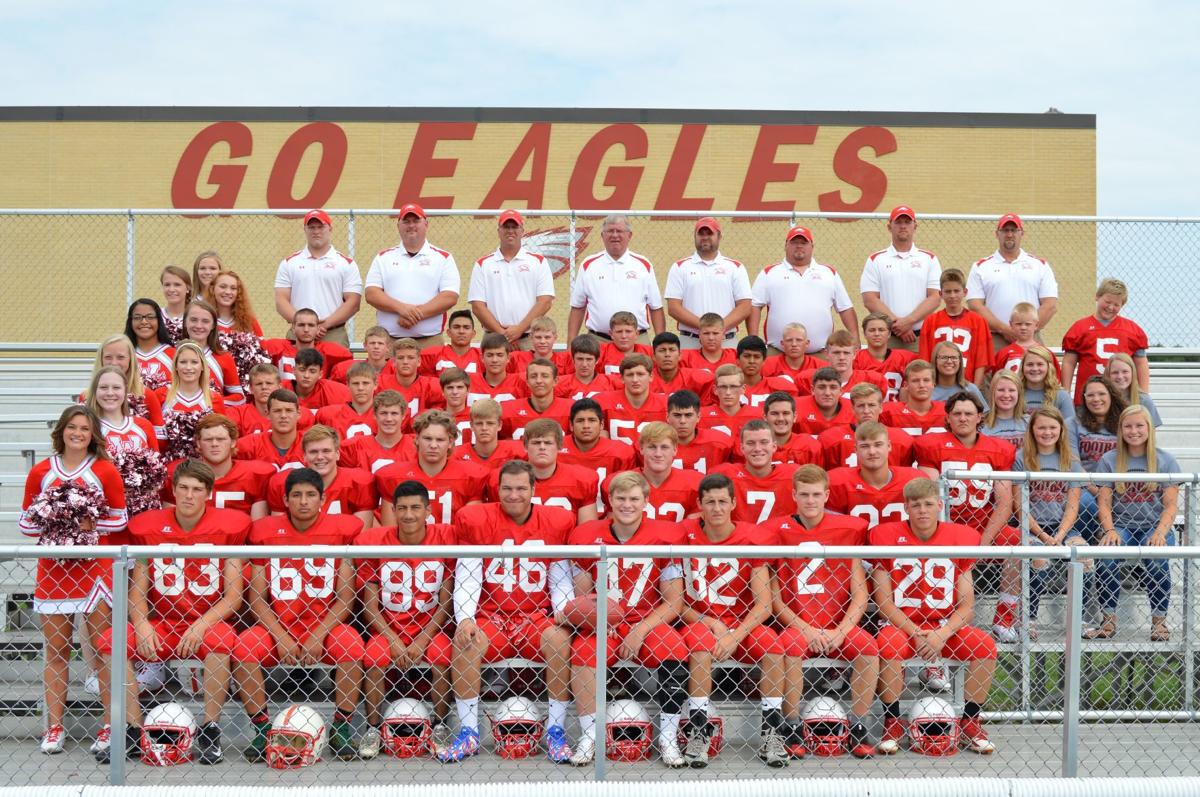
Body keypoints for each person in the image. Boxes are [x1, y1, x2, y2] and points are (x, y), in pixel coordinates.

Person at [97, 460, 250, 764]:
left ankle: (210, 728)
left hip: (206, 621)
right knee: (111, 641)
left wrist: (201, 625)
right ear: (174, 490)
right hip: (163, 621)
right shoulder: (149, 527)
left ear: (208, 493)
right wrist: (140, 623)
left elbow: (233, 597)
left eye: (196, 489)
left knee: (221, 643)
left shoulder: (230, 526)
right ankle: (131, 730)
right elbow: (138, 589)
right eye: (183, 488)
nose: (189, 495)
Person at [440, 461, 576, 763]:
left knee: (559, 638)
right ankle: (469, 732)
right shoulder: (478, 519)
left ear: (533, 489)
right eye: (507, 488)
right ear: (497, 489)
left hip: (535, 617)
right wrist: (465, 618)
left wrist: (562, 613)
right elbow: (468, 573)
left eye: (520, 488)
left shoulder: (554, 521)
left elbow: (559, 575)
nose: (513, 495)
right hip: (492, 617)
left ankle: (555, 730)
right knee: (465, 641)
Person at [233, 468, 366, 763]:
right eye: (296, 495)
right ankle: (262, 729)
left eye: (310, 495)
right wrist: (280, 634)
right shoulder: (265, 532)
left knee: (352, 645)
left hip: (325, 624)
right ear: (285, 499)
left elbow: (345, 599)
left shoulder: (342, 530)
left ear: (323, 499)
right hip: (278, 623)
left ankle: (341, 728)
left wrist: (318, 633)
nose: (303, 501)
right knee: (243, 648)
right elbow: (257, 598)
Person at [20, 406, 127, 755]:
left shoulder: (104, 470)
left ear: (93, 434)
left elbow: (120, 520)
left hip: (94, 569)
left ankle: (110, 725)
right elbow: (26, 525)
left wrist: (86, 526)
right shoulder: (41, 472)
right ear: (62, 431)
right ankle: (54, 727)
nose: (78, 433)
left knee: (102, 650)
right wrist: (57, 523)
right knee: (56, 650)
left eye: (84, 428)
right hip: (53, 570)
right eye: (72, 427)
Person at [565, 471, 690, 767]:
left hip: (647, 621)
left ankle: (668, 737)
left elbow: (674, 601)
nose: (627, 505)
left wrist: (640, 629)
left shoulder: (666, 536)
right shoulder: (586, 536)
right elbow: (582, 596)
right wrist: (597, 619)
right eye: (620, 498)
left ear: (646, 501)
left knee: (673, 647)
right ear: (609, 501)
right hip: (603, 621)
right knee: (583, 651)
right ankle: (589, 736)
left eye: (634, 499)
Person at [869, 478, 998, 755]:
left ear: (940, 505)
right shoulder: (885, 536)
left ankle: (970, 721)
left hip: (943, 626)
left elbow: (967, 606)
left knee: (984, 646)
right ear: (906, 508)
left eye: (928, 504)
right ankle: (892, 720)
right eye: (916, 506)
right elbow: (884, 603)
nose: (923, 511)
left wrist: (941, 634)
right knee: (888, 646)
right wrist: (916, 633)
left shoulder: (959, 538)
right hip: (901, 625)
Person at [765, 465, 878, 759]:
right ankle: (791, 725)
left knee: (868, 647)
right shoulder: (778, 531)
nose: (811, 501)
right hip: (798, 625)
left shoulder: (846, 531)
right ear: (794, 495)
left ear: (827, 495)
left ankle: (858, 724)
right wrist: (806, 629)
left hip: (836, 624)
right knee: (789, 647)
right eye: (804, 495)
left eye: (817, 494)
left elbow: (860, 595)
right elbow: (775, 599)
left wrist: (840, 631)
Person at [678, 472, 788, 768]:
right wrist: (707, 620)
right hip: (698, 620)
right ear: (699, 504)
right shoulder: (683, 536)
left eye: (722, 502)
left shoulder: (751, 539)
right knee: (701, 646)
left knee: (773, 646)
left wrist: (734, 635)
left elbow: (764, 605)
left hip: (741, 623)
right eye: (709, 502)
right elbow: (676, 601)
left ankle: (772, 730)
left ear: (733, 503)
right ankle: (699, 729)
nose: (716, 508)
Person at [355, 480, 456, 758]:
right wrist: (394, 640)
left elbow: (446, 601)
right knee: (374, 658)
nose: (408, 514)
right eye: (401, 508)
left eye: (415, 508)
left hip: (430, 627)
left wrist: (422, 638)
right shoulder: (376, 542)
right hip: (389, 626)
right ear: (393, 511)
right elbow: (370, 605)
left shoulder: (444, 538)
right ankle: (373, 728)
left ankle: (439, 724)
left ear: (428, 510)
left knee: (441, 655)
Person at [1089, 405, 1181, 642]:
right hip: (1123, 525)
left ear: (1149, 428)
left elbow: (1171, 505)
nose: (1134, 431)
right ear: (1120, 430)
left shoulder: (1165, 460)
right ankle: (1108, 620)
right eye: (1128, 426)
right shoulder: (1110, 460)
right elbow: (1104, 503)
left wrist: (1161, 532)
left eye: (1139, 425)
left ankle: (1158, 623)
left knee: (1157, 557)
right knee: (1106, 555)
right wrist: (1109, 530)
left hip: (1154, 524)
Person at [994, 407, 1085, 642]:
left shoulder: (1070, 462)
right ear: (1032, 430)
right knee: (1038, 555)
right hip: (1030, 525)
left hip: (1060, 525)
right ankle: (1029, 618)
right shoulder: (1021, 459)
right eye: (1041, 427)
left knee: (1085, 554)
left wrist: (1061, 534)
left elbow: (1073, 505)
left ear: (1061, 430)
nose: (1047, 432)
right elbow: (1019, 506)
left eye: (1053, 427)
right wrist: (1044, 536)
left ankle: (1080, 619)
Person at [914, 391, 1016, 546]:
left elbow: (1005, 504)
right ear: (948, 417)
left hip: (985, 525)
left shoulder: (999, 449)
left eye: (968, 413)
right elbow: (929, 498)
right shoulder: (932, 446)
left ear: (979, 417)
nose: (962, 418)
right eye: (957, 414)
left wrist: (983, 543)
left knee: (1018, 541)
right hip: (944, 525)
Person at [364, 201, 461, 350]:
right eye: (406, 221)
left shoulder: (443, 258)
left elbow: (450, 296)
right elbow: (371, 293)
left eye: (416, 220)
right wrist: (401, 309)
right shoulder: (383, 257)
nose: (411, 225)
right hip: (390, 342)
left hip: (429, 341)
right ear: (398, 226)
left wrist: (415, 315)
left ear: (426, 224)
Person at [749, 225, 858, 354]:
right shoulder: (769, 273)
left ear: (812, 246)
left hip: (821, 353)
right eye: (794, 242)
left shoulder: (829, 273)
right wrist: (753, 340)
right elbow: (754, 306)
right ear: (785, 246)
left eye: (803, 242)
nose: (799, 246)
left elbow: (845, 308)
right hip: (778, 352)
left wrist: (855, 339)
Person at [374, 410, 488, 526]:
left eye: (440, 440)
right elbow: (391, 533)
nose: (433, 445)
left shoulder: (469, 477)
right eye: (427, 439)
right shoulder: (394, 477)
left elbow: (470, 530)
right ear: (417, 439)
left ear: (450, 442)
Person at [966, 213, 1058, 350]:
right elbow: (975, 305)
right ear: (997, 234)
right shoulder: (981, 267)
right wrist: (1004, 329)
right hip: (995, 338)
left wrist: (1027, 330)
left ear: (1022, 233)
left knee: (1035, 371)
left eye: (1014, 230)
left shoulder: (1040, 265)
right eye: (1005, 230)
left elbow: (1050, 305)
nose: (1009, 234)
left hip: (1032, 338)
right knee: (995, 372)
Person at [567, 214, 665, 342]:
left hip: (636, 340)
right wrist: (570, 343)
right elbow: (578, 307)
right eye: (610, 231)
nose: (614, 235)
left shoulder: (643, 265)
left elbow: (655, 307)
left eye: (619, 231)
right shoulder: (588, 265)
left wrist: (660, 342)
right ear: (602, 236)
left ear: (629, 235)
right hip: (598, 340)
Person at [273, 209, 362, 349]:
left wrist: (324, 325)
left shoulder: (346, 263)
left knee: (336, 371)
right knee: (296, 370)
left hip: (334, 333)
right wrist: (304, 325)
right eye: (311, 227)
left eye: (321, 226)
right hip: (298, 334)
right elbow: (281, 300)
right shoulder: (289, 263)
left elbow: (353, 302)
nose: (316, 231)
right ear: (305, 230)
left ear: (330, 229)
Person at [468, 209, 554, 350]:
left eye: (515, 227)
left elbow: (545, 302)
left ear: (522, 231)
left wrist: (520, 329)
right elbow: (477, 306)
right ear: (498, 231)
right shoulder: (483, 264)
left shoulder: (538, 262)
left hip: (528, 338)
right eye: (506, 227)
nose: (510, 231)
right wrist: (503, 334)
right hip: (494, 338)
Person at [860, 206, 942, 350]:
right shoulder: (876, 260)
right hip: (888, 338)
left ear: (915, 226)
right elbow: (870, 299)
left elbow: (935, 297)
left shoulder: (929, 258)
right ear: (889, 227)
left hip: (919, 337)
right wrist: (898, 325)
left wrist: (909, 321)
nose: (903, 226)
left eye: (907, 222)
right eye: (898, 222)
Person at [664, 217, 751, 348]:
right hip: (690, 341)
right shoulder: (680, 267)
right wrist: (705, 328)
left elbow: (745, 306)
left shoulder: (735, 267)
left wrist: (718, 329)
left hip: (726, 341)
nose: (705, 237)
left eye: (709, 233)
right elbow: (673, 307)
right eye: (700, 233)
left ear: (720, 236)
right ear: (694, 236)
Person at [265, 425, 376, 525]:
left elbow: (360, 538)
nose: (320, 457)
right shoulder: (284, 483)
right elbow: (280, 533)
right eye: (313, 452)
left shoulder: (357, 483)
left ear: (337, 454)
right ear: (304, 456)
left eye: (326, 451)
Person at [166, 414, 272, 519]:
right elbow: (172, 524)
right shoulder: (179, 474)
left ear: (233, 442)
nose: (214, 444)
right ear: (198, 443)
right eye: (208, 439)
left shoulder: (253, 475)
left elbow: (257, 527)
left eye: (221, 439)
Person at [1062, 278, 1150, 404]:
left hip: (1121, 399)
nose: (1110, 307)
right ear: (1097, 296)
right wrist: (1066, 392)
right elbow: (1069, 363)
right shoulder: (1080, 328)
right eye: (1107, 302)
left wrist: (1144, 394)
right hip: (1088, 398)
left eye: (1116, 305)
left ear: (1122, 305)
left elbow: (1141, 364)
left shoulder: (1132, 330)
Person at [826, 421, 925, 529]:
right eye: (865, 446)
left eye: (878, 445)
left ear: (889, 446)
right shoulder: (838, 482)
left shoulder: (913, 480)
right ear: (856, 450)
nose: (872, 451)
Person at [501, 419, 599, 524]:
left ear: (559, 446)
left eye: (548, 443)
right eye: (536, 442)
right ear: (525, 446)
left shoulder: (581, 479)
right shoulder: (505, 479)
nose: (542, 447)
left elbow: (587, 530)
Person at [601, 422, 701, 521]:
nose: (658, 454)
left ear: (675, 450)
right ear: (641, 448)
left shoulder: (694, 483)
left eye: (664, 447)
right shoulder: (619, 482)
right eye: (652, 447)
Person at [713, 420, 801, 524]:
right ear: (742, 448)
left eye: (764, 442)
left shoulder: (794, 475)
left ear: (774, 446)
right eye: (751, 443)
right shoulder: (725, 475)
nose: (757, 449)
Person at [919, 268, 991, 383]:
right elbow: (925, 359)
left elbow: (981, 360)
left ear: (965, 292)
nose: (952, 295)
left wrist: (975, 388)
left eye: (956, 291)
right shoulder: (930, 321)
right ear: (940, 293)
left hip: (967, 382)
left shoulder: (978, 321)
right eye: (948, 291)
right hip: (938, 383)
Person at [819, 385, 914, 470]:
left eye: (871, 405)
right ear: (852, 409)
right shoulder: (832, 438)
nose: (866, 411)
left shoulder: (901, 439)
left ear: (881, 408)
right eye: (861, 406)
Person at [93, 334, 166, 437]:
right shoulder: (87, 397)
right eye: (108, 357)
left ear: (130, 359)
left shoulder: (147, 395)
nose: (114, 363)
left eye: (120, 357)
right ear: (101, 359)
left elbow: (160, 440)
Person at [262, 307, 354, 383]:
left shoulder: (330, 351)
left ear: (318, 329)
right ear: (293, 328)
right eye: (301, 325)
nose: (306, 329)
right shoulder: (277, 348)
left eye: (311, 325)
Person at [559, 397, 636, 488]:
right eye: (580, 421)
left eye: (592, 420)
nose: (586, 426)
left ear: (602, 425)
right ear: (571, 425)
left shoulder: (620, 452)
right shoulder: (555, 449)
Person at [594, 354, 668, 446]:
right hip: (617, 459)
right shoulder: (603, 401)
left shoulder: (666, 404)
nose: (635, 379)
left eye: (640, 374)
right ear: (622, 378)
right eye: (630, 375)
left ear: (651, 376)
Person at [182, 300, 244, 406]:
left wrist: (209, 402)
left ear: (213, 325)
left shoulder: (224, 357)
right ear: (185, 322)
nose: (199, 325)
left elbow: (239, 398)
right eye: (193, 320)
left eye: (205, 321)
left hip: (212, 419)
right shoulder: (172, 355)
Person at [793, 330, 888, 398]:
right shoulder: (806, 379)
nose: (842, 357)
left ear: (854, 354)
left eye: (846, 353)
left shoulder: (872, 380)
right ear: (826, 353)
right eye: (836, 353)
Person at [339, 390, 413, 474]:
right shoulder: (355, 447)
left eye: (394, 413)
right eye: (383, 413)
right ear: (374, 415)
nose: (389, 419)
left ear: (403, 415)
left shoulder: (416, 447)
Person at [87, 366, 159, 452]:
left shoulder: (144, 425)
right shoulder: (88, 427)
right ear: (95, 391)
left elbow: (156, 462)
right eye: (103, 387)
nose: (110, 393)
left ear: (125, 391)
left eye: (116, 387)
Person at [499, 359, 574, 440]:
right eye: (533, 376)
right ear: (527, 382)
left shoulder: (570, 408)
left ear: (555, 381)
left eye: (545, 376)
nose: (538, 381)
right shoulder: (509, 409)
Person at [665, 390, 733, 473]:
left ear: (698, 417)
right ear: (667, 417)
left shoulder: (719, 443)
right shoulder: (656, 445)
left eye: (688, 415)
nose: (682, 421)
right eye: (677, 415)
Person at [235, 389, 304, 470]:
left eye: (289, 410)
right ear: (267, 414)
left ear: (298, 413)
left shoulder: (310, 443)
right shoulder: (248, 445)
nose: (283, 416)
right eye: (277, 411)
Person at [856, 312, 917, 402]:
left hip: (895, 411)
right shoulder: (856, 358)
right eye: (872, 330)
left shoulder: (906, 357)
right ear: (864, 334)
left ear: (889, 334)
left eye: (881, 330)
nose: (877, 334)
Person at [377, 338, 444, 417]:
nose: (405, 362)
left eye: (410, 358)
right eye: (401, 358)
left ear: (419, 361)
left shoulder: (431, 385)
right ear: (394, 361)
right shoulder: (380, 383)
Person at [992, 303, 1061, 379]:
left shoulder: (1045, 353)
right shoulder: (1004, 353)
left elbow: (1055, 379)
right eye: (1018, 324)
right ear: (1011, 324)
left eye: (1028, 324)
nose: (1023, 327)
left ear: (1036, 325)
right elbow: (996, 379)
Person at [453, 398, 525, 469]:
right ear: (471, 426)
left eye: (490, 423)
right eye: (479, 423)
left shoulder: (515, 452)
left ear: (499, 425)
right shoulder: (457, 455)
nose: (484, 428)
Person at [879, 359, 946, 435]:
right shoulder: (889, 412)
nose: (921, 385)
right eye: (915, 381)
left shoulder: (947, 411)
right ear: (906, 385)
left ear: (933, 384)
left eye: (926, 380)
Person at [316, 362, 378, 440]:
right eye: (355, 383)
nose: (360, 388)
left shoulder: (385, 415)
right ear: (347, 385)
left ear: (375, 384)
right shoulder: (330, 416)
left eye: (365, 383)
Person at [757, 391, 821, 466]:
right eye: (774, 413)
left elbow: (817, 477)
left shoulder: (809, 446)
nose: (780, 418)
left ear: (794, 417)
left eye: (786, 413)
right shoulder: (755, 446)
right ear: (765, 417)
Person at [697, 364, 761, 440]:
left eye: (733, 386)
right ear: (715, 390)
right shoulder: (701, 416)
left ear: (743, 389)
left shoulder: (758, 416)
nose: (728, 392)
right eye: (723, 387)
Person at [124, 298, 175, 391]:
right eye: (137, 317)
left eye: (150, 317)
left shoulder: (174, 355)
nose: (144, 322)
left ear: (159, 320)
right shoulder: (124, 354)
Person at [650, 332, 716, 404]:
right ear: (654, 357)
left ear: (680, 355)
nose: (667, 354)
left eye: (672, 350)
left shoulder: (696, 378)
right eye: (662, 350)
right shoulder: (644, 380)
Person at [735, 335, 799, 406]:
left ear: (764, 361)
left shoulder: (780, 387)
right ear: (737, 360)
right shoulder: (727, 387)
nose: (751, 361)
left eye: (757, 357)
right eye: (747, 356)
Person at [466, 332, 528, 404]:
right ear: (482, 358)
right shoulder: (468, 382)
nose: (494, 360)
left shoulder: (520, 383)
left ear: (508, 358)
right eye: (490, 355)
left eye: (500, 355)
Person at [1105, 352, 1162, 427]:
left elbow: (1151, 433)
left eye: (1125, 371)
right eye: (1115, 372)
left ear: (1133, 373)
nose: (1120, 376)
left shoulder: (1144, 400)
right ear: (1108, 375)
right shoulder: (1102, 399)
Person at [793, 367, 855, 435]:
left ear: (840, 391)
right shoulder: (796, 407)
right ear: (812, 390)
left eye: (833, 387)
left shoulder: (854, 409)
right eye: (821, 387)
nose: (827, 393)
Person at [507, 316, 575, 376]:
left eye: (547, 337)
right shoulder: (516, 358)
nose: (542, 341)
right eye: (538, 337)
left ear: (555, 338)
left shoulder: (565, 359)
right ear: (531, 338)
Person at [595, 311, 655, 377]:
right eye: (619, 332)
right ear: (611, 334)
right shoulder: (600, 352)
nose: (624, 336)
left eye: (628, 331)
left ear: (636, 334)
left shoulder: (649, 352)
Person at [554, 334, 614, 400]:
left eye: (589, 359)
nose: (584, 364)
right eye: (580, 359)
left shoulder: (611, 382)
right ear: (573, 359)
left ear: (597, 360)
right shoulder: (559, 383)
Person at [206, 269, 264, 337]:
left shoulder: (249, 321)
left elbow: (261, 346)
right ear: (212, 289)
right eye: (223, 287)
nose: (228, 292)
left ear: (238, 292)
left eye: (233, 288)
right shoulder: (203, 319)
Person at [931, 341, 988, 409]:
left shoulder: (970, 389)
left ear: (960, 361)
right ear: (935, 360)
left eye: (954, 357)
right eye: (944, 357)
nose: (949, 361)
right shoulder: (926, 389)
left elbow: (983, 416)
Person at [980, 370, 1028, 450]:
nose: (1006, 395)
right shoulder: (980, 425)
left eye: (1011, 390)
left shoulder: (1030, 423)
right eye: (1001, 390)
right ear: (993, 392)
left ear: (1019, 393)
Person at [760, 322, 827, 379]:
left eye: (799, 340)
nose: (794, 344)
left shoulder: (821, 367)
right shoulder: (768, 364)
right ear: (782, 344)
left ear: (807, 343)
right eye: (789, 340)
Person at [159, 265, 193, 343]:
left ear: (188, 288)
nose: (171, 289)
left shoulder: (195, 316)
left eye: (177, 285)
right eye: (167, 285)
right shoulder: (156, 315)